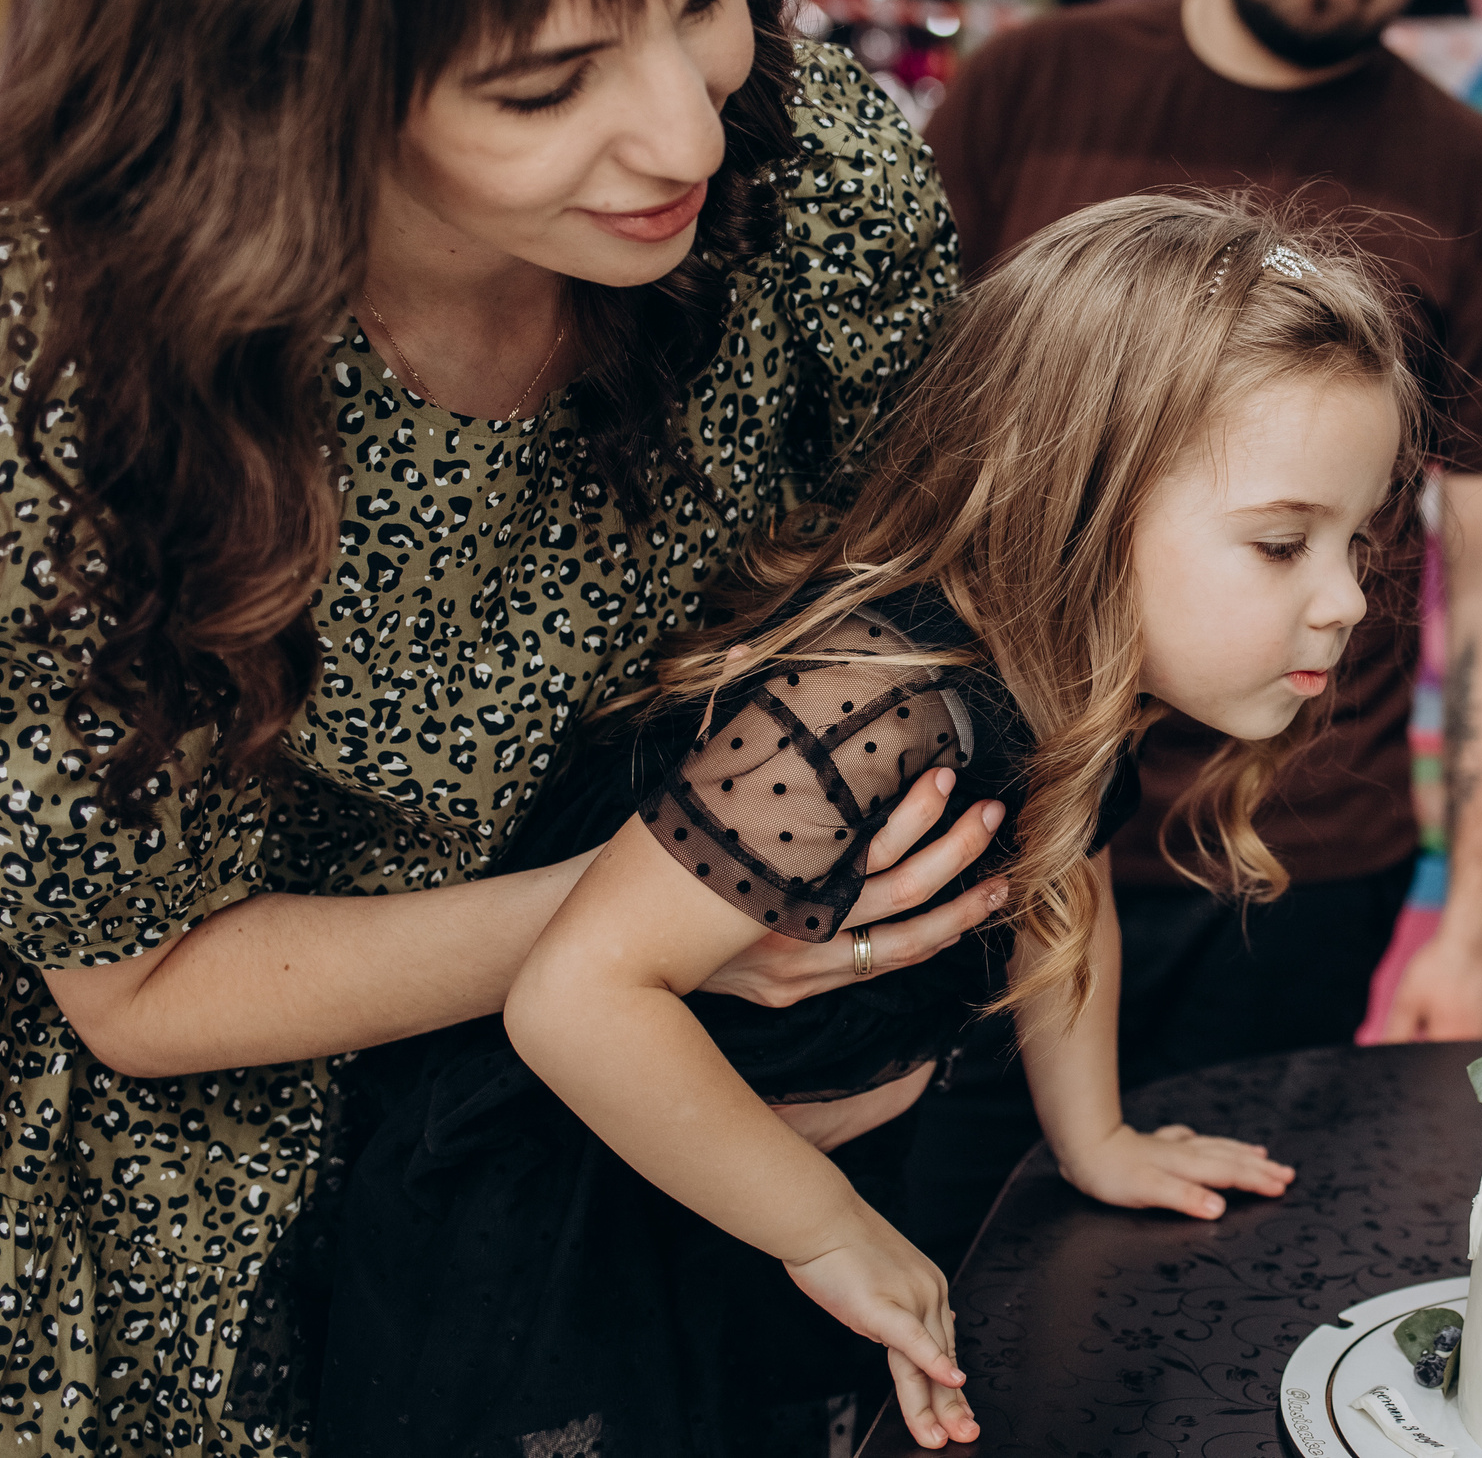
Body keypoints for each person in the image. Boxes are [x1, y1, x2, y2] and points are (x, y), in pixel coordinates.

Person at [0, 0, 1004, 1448]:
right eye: (543, 84)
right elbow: (142, 989)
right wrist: (662, 922)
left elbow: (933, 597)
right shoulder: (83, 373)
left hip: (686, 1139)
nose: (684, 127)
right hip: (244, 1216)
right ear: (287, 63)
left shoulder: (804, 179)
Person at [319, 193, 1408, 1455]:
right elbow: (577, 997)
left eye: (1357, 542)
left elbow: (1061, 878)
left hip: (757, 1212)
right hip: (563, 1242)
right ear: (1082, 499)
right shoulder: (871, 711)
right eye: (1283, 545)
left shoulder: (1072, 686)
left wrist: (1092, 1135)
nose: (1343, 601)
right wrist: (825, 1226)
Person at [910, 0, 1482, 1257]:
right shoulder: (1033, 88)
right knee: (945, 1253)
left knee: (1202, 1283)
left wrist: (1477, 927)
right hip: (987, 816)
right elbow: (914, 439)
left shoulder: (1473, 178)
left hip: (1290, 857)